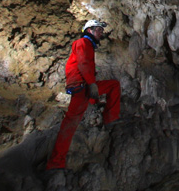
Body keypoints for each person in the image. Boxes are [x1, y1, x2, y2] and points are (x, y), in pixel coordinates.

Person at [46, 20, 122, 171]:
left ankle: (110, 120)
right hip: (82, 86)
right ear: (89, 30)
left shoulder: (88, 46)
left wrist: (93, 95)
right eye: (99, 30)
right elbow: (83, 64)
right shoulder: (82, 43)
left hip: (84, 86)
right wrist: (92, 84)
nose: (101, 33)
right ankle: (56, 162)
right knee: (70, 122)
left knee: (114, 85)